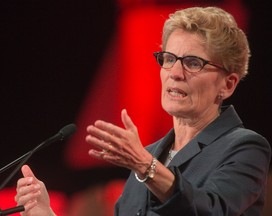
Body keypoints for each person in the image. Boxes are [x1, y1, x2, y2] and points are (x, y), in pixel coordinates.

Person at [15, 6, 271, 216]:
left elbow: (211, 210)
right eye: (169, 59)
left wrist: (146, 167)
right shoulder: (150, 154)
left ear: (227, 85)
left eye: (193, 63)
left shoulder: (246, 148)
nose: (175, 73)